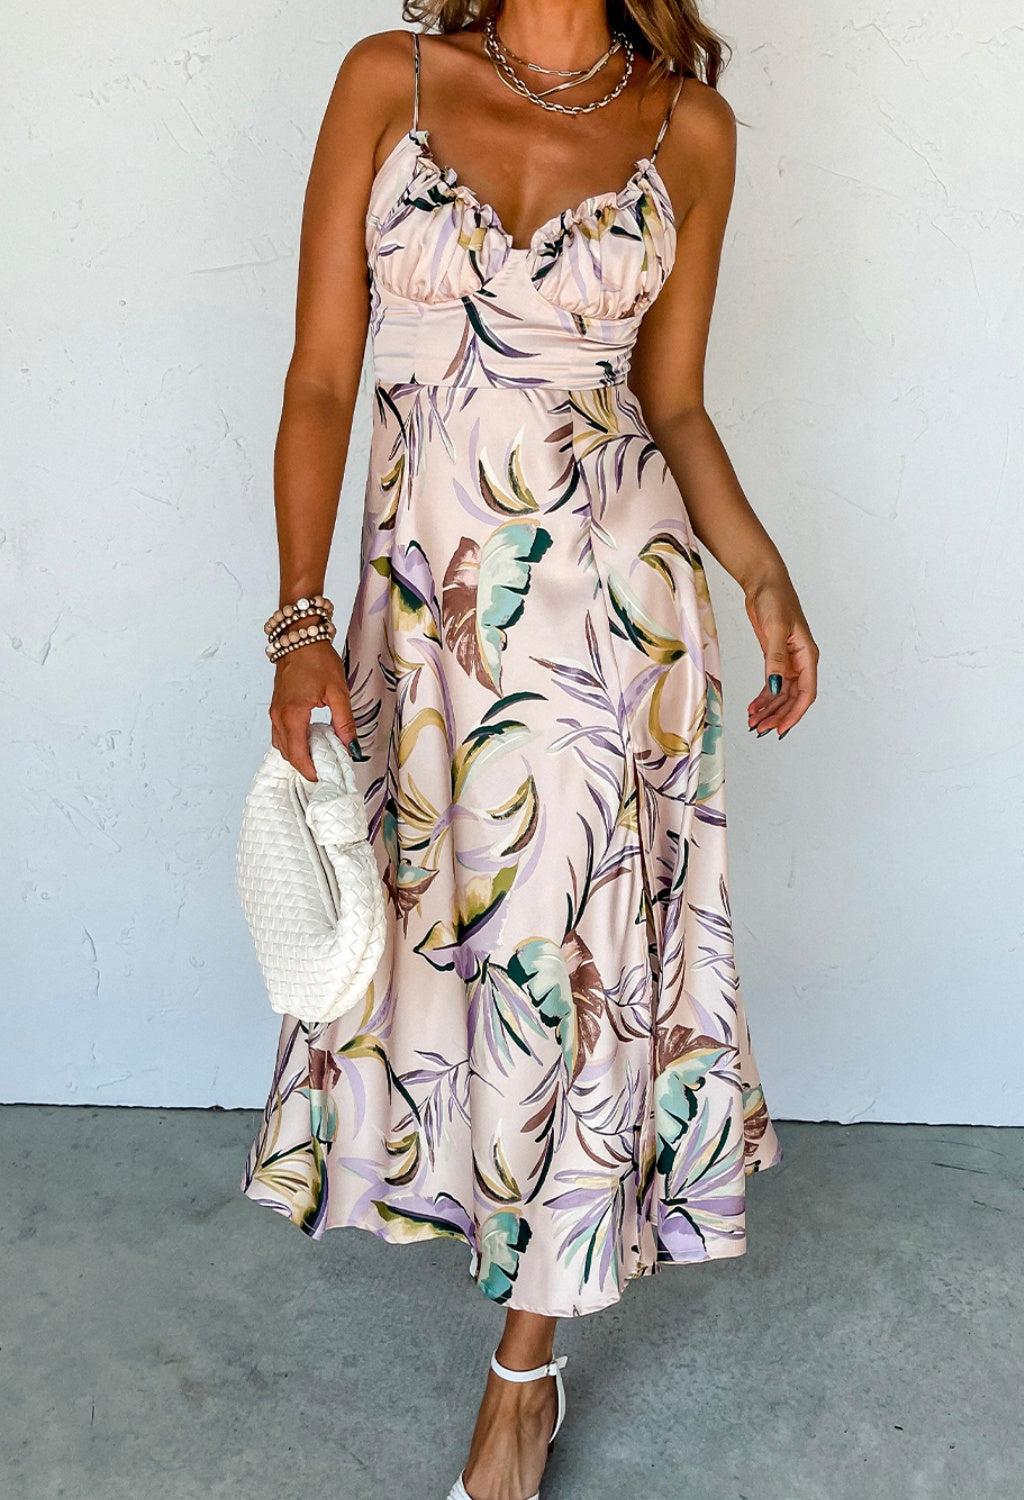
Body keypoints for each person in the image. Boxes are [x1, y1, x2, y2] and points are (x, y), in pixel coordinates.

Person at [242, 4, 817, 1497]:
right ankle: (485, 1247)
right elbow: (322, 376)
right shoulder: (389, 78)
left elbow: (672, 403)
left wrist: (756, 572)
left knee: (572, 978)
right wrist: (298, 619)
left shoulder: (687, 129)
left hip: (613, 630)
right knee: (439, 961)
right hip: (428, 628)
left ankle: (522, 1376)